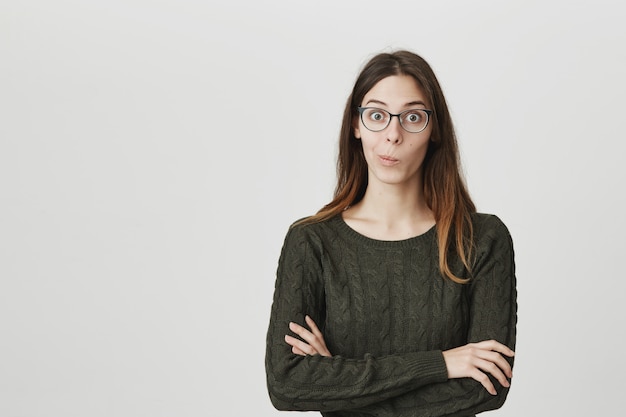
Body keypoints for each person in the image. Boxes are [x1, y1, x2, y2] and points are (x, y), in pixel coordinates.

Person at [265, 50, 517, 417]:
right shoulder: (311, 242)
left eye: (412, 117)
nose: (393, 135)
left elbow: (485, 390)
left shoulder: (481, 240)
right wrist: (441, 365)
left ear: (435, 130)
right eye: (377, 115)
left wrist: (337, 381)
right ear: (356, 125)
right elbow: (287, 385)